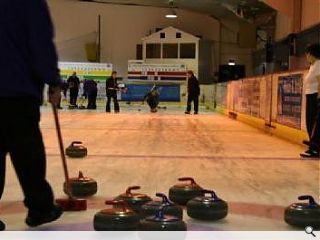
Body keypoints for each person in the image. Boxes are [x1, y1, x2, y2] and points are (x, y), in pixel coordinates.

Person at [0, 0, 63, 230]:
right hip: (16, 89)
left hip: (14, 87)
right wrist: (53, 81)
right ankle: (40, 207)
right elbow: (40, 42)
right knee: (27, 152)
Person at [301, 43, 320, 158]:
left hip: (315, 96)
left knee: (313, 123)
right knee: (309, 122)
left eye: (307, 54)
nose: (306, 57)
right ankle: (313, 146)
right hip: (310, 95)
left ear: (312, 54)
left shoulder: (318, 64)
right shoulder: (313, 66)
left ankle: (315, 148)